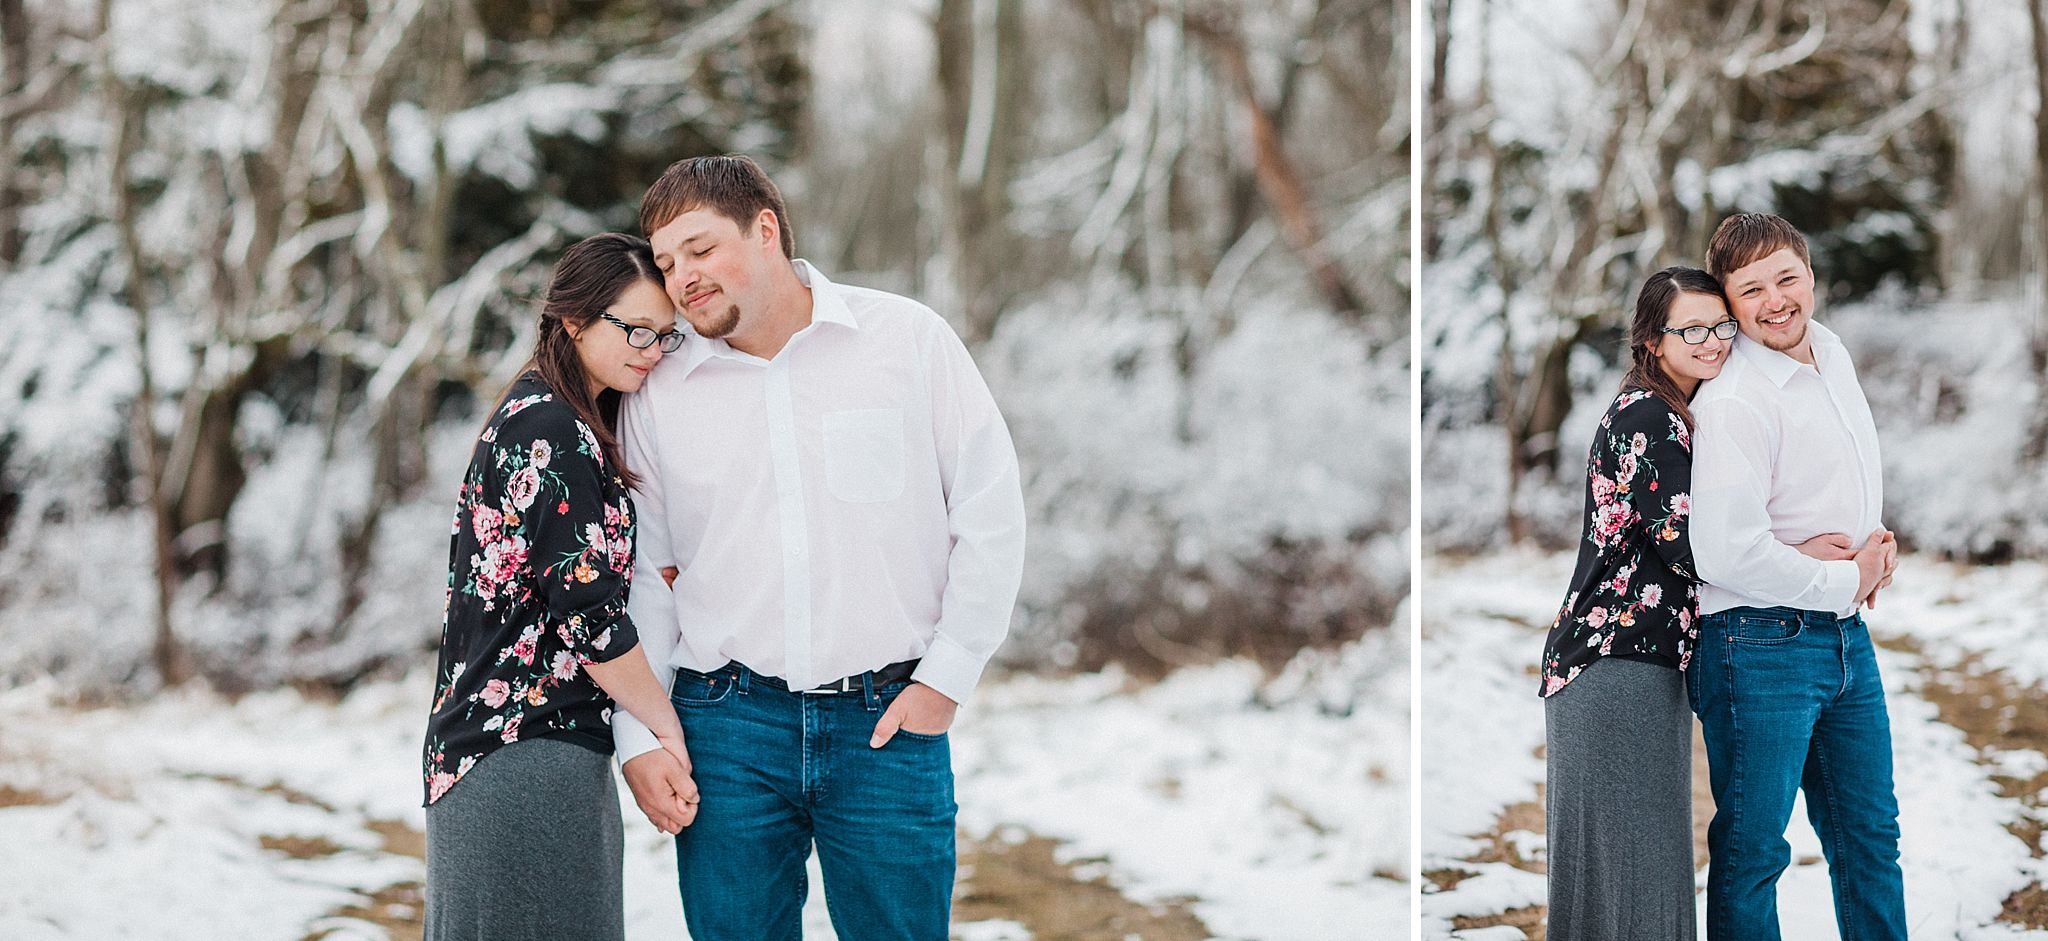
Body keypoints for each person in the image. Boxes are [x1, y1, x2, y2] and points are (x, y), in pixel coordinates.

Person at [609, 154, 1027, 940]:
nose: (682, 278)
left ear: (765, 229)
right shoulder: (661, 391)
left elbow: (989, 509)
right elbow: (644, 577)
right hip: (724, 728)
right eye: (666, 263)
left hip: (886, 723)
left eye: (700, 249)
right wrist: (641, 735)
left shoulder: (906, 340)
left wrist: (948, 675)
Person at [420, 232, 700, 941]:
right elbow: (591, 618)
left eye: (664, 335)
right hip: (524, 755)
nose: (652, 348)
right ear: (574, 319)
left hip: (517, 753)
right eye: (635, 328)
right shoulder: (553, 429)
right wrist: (666, 728)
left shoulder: (553, 415)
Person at [1689, 212, 1904, 940]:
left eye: (1786, 277)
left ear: (1810, 275)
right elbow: (1725, 551)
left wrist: (1872, 540)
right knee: (1753, 855)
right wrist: (1845, 578)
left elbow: (1834, 470)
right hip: (1755, 645)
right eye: (1751, 290)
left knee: (1871, 842)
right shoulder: (1735, 400)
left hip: (1843, 640)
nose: (1775, 300)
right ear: (1728, 303)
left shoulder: (1831, 351)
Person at [1539, 266, 1732, 939]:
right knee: (1635, 877)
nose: (1713, 341)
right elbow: (1694, 546)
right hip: (1614, 662)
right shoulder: (1648, 416)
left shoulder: (1673, 410)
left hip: (1627, 664)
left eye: (1721, 325)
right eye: (1693, 329)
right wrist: (1821, 557)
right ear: (1653, 338)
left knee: (1631, 874)